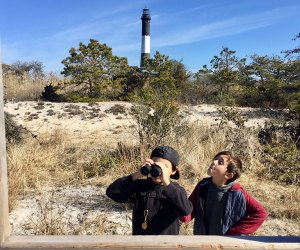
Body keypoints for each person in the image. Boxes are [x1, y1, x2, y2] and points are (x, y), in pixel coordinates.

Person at [106, 145, 193, 235]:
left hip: (166, 245)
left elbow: (185, 210)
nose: (159, 169)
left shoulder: (176, 190)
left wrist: (167, 183)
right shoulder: (141, 186)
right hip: (141, 244)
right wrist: (138, 173)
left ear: (174, 171)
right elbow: (112, 192)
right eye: (155, 164)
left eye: (164, 166)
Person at [180, 151, 267, 236]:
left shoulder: (238, 192)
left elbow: (261, 214)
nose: (214, 162)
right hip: (203, 241)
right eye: (215, 159)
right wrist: (177, 199)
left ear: (228, 175)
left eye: (220, 162)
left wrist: (233, 232)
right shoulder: (203, 186)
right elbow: (189, 212)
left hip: (226, 244)